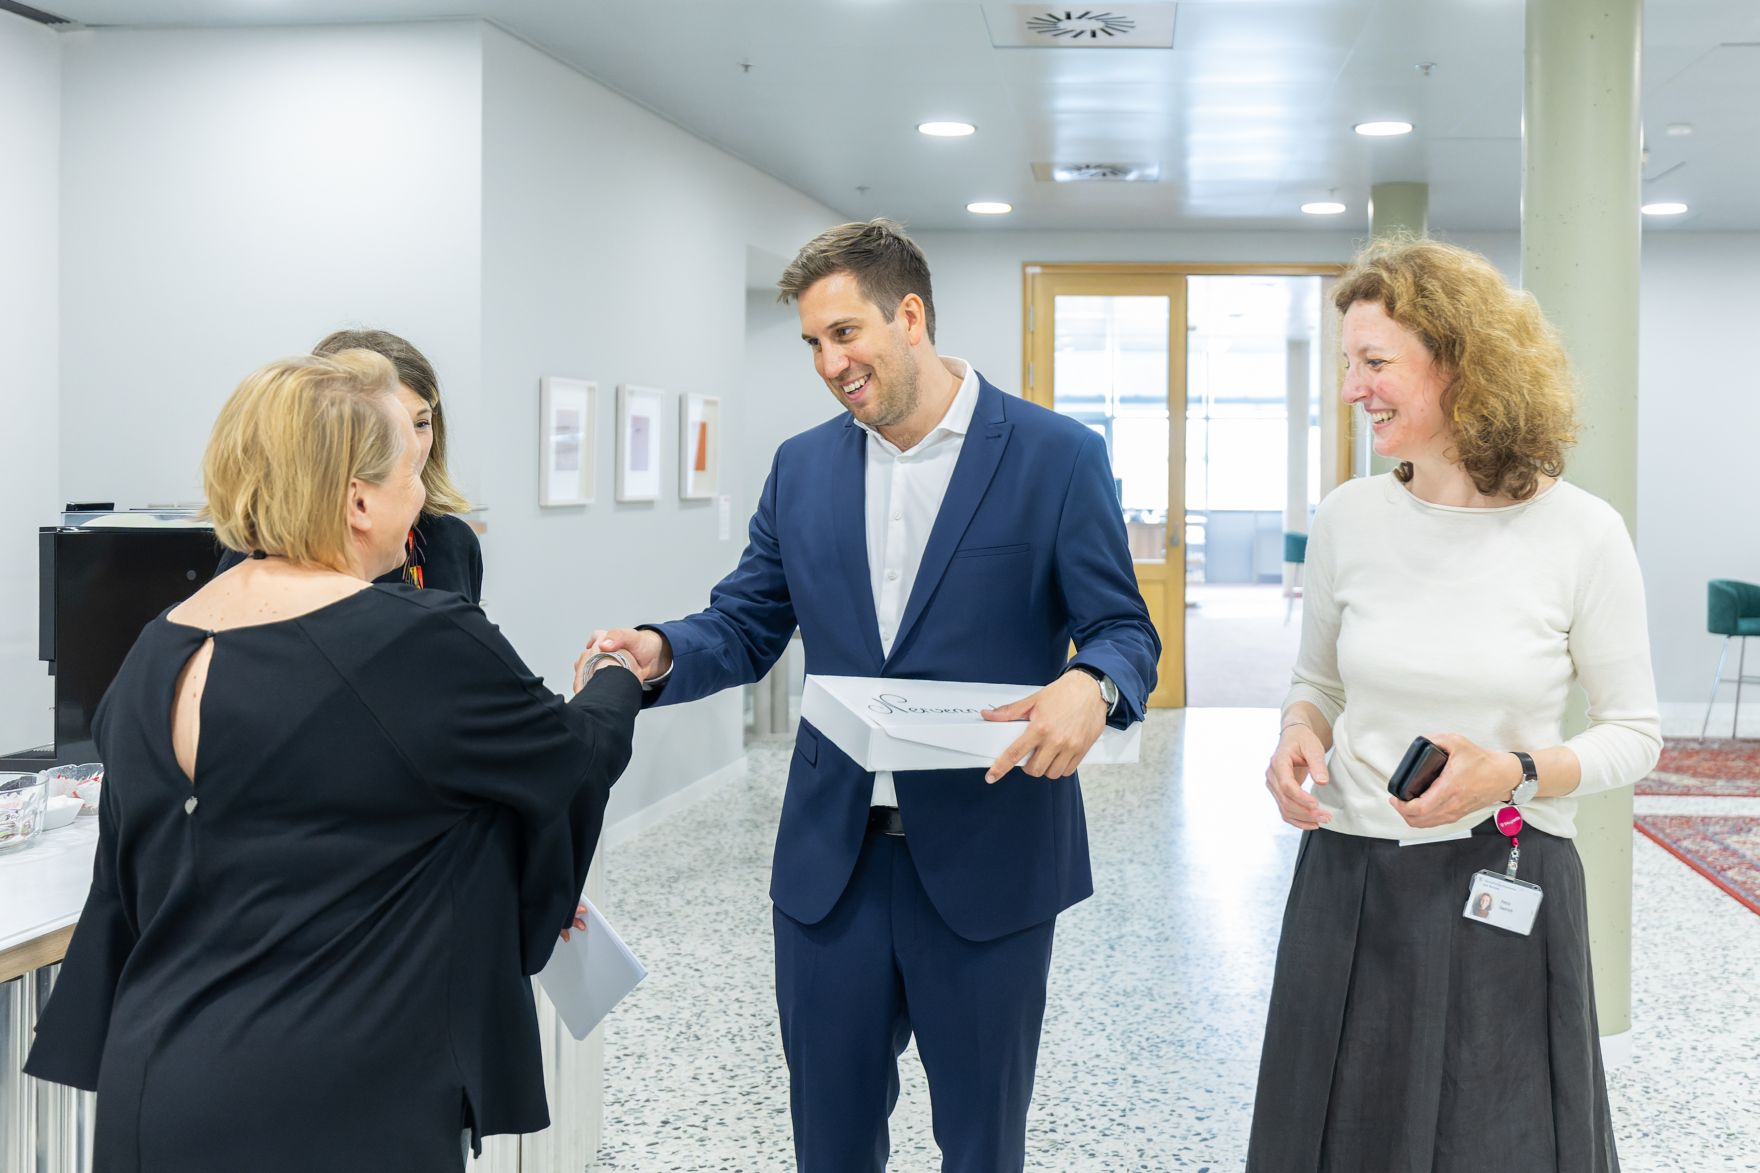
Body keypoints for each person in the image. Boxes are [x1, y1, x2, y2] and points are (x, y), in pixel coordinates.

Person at [581, 218, 1159, 1172]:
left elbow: (1124, 628)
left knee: (981, 1146)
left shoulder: (1055, 457)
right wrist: (656, 651)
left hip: (989, 862)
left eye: (845, 333)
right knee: (831, 1145)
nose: (829, 362)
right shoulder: (803, 467)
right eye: (812, 342)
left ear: (911, 316)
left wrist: (1092, 686)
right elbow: (746, 621)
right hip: (831, 870)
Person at [25, 351, 646, 1172]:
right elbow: (569, 759)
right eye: (409, 471)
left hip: (157, 1084)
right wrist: (618, 679)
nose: (422, 493)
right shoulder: (422, 641)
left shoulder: (155, 645)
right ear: (358, 497)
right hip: (346, 1091)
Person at [1249, 237, 1662, 1173]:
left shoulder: (1581, 534)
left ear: (1463, 362)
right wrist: (1296, 735)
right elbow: (1317, 682)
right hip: (1348, 877)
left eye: (1377, 362)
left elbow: (1635, 733)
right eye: (1348, 362)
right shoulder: (1349, 517)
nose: (1354, 386)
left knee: (1493, 1140)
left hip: (1502, 878)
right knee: (1334, 1134)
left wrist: (1513, 770)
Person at [216, 328, 483, 602]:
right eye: (387, 429)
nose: (411, 447)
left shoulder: (456, 542)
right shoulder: (266, 553)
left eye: (421, 424)